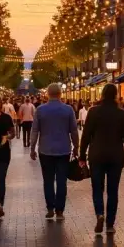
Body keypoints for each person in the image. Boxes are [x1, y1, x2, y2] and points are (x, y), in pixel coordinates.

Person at [81, 83, 124, 235]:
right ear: (115, 95)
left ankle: (100, 214)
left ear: (102, 95)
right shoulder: (122, 114)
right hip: (115, 156)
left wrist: (81, 156)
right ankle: (110, 224)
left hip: (96, 155)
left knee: (97, 188)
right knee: (113, 190)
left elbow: (86, 136)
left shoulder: (93, 112)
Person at [30, 83, 79, 220]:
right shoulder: (68, 110)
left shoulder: (40, 110)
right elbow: (74, 130)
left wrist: (32, 148)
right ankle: (60, 211)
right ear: (60, 94)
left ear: (47, 94)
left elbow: (35, 130)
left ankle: (50, 208)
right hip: (63, 150)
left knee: (48, 180)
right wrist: (76, 146)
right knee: (62, 181)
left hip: (45, 150)